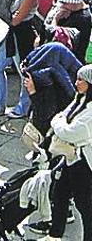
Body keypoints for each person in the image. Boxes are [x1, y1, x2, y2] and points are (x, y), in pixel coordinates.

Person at [45, 64, 92, 241]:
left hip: (84, 164)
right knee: (60, 193)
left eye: (81, 80)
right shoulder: (82, 99)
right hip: (72, 158)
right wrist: (60, 122)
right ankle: (55, 234)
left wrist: (57, 123)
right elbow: (63, 116)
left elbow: (70, 132)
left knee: (85, 206)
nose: (76, 82)